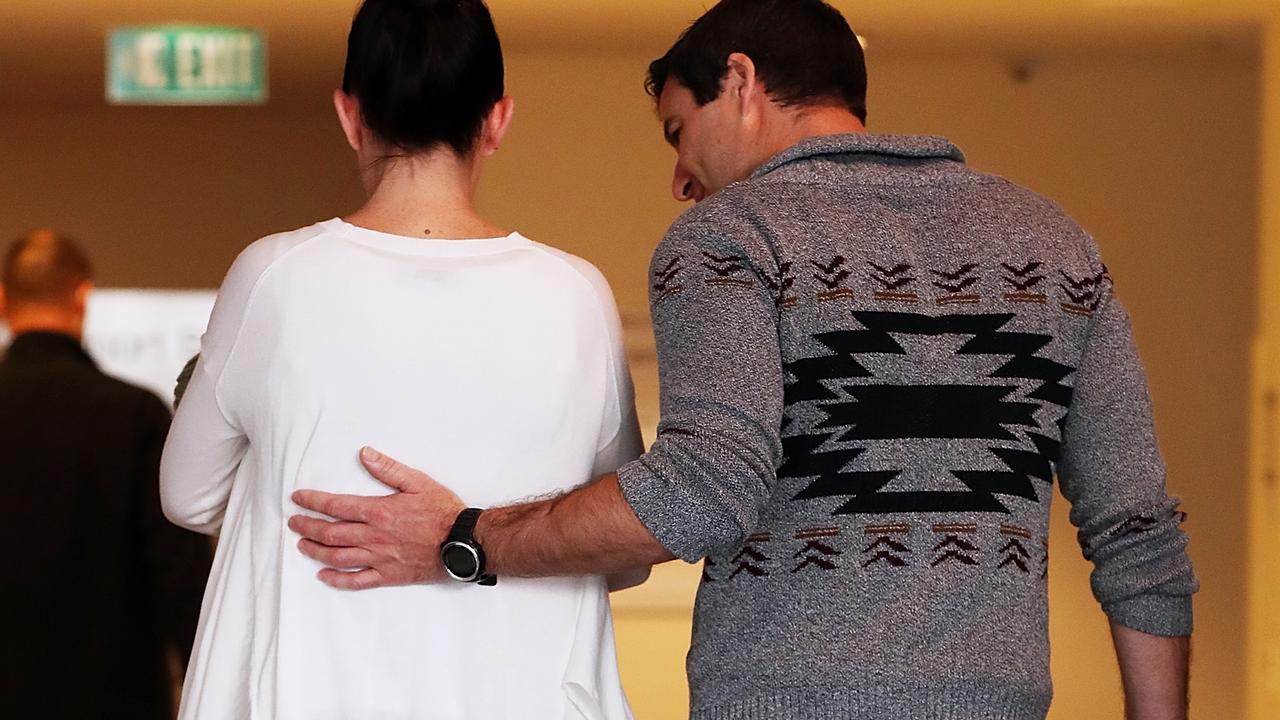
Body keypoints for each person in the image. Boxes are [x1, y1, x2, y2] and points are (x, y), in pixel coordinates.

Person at [288, 0, 1199, 718]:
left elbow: (702, 489)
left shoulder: (731, 236)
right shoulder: (1057, 246)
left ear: (741, 81)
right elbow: (1138, 532)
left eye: (679, 131)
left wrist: (464, 539)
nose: (679, 179)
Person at [159, 1, 646, 718]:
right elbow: (622, 547)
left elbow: (187, 495)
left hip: (316, 691)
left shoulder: (276, 276)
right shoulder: (576, 294)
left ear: (349, 115)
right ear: (499, 119)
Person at [0, 230, 210, 720]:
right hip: (113, 697)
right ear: (82, 296)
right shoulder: (134, 415)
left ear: (4, 300)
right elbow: (181, 577)